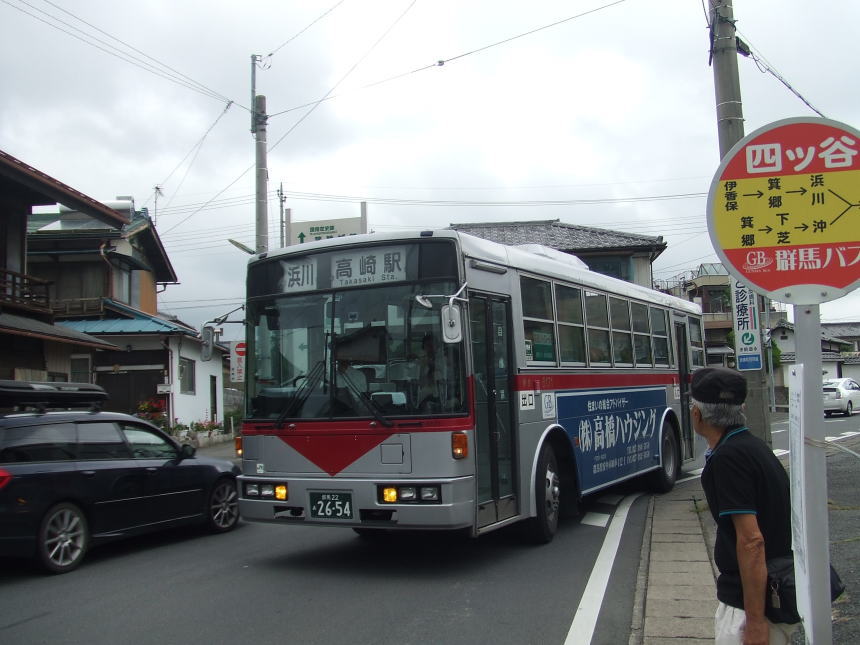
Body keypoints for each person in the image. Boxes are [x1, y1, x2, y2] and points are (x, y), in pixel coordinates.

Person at [690, 367, 795, 645]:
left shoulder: (728, 459)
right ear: (742, 408)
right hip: (775, 589)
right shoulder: (754, 447)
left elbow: (751, 541)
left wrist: (756, 620)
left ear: (696, 414)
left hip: (748, 605)